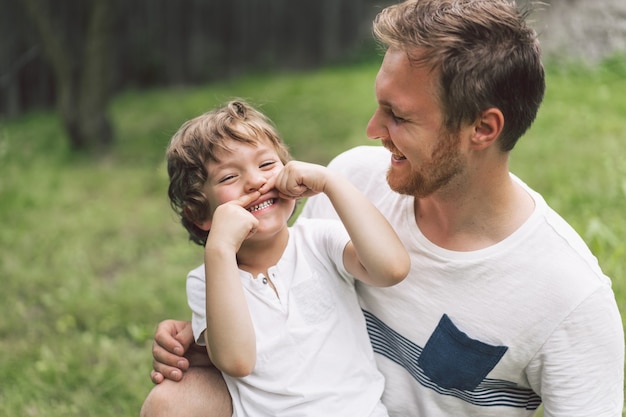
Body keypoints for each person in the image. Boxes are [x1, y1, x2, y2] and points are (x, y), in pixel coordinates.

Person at [142, 1, 625, 416]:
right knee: (174, 402)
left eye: (399, 115)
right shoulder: (356, 178)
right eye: (380, 105)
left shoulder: (571, 300)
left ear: (483, 129)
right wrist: (199, 342)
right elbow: (285, 304)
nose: (373, 129)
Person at [151, 99, 410, 417]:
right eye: (229, 178)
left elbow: (392, 268)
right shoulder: (208, 279)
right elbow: (236, 361)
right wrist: (219, 248)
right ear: (199, 214)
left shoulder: (319, 240)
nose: (256, 182)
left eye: (266, 165)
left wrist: (331, 183)